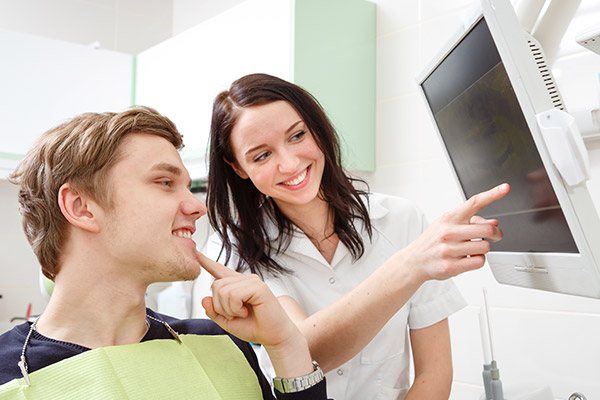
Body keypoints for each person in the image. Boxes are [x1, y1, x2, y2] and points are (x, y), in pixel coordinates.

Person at [201, 73, 510, 400]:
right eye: (262, 155)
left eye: (297, 135)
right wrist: (411, 264)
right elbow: (303, 350)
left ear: (316, 128)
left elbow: (434, 373)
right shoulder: (232, 248)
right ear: (237, 166)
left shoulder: (400, 220)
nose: (290, 164)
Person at [0, 106, 328, 399]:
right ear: (82, 207)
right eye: (165, 182)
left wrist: (286, 345)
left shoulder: (219, 343)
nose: (197, 207)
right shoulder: (7, 374)